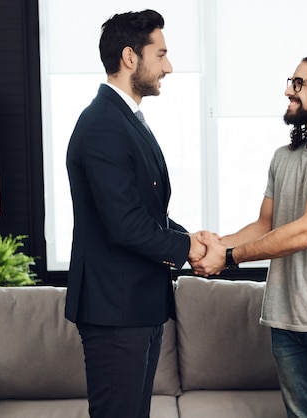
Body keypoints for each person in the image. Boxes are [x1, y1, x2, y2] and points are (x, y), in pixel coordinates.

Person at [192, 55, 307, 417]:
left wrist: (229, 258)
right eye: (290, 82)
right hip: (286, 319)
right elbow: (265, 224)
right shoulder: (284, 157)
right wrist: (213, 245)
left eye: (298, 84)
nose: (287, 91)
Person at [65, 9, 205, 418]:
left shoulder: (126, 119)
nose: (169, 67)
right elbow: (125, 226)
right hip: (115, 310)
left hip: (136, 306)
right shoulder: (103, 125)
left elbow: (147, 212)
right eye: (160, 55)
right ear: (130, 57)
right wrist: (189, 248)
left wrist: (191, 238)